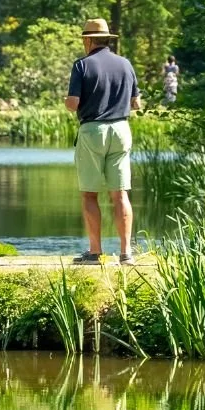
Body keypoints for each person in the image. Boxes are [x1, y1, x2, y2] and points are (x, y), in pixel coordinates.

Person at [65, 17, 142, 265]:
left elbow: (72, 104)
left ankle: (96, 252)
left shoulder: (82, 65)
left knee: (89, 194)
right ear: (108, 40)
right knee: (120, 194)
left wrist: (68, 103)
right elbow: (136, 103)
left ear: (88, 41)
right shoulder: (126, 64)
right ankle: (126, 253)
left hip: (93, 130)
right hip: (121, 129)